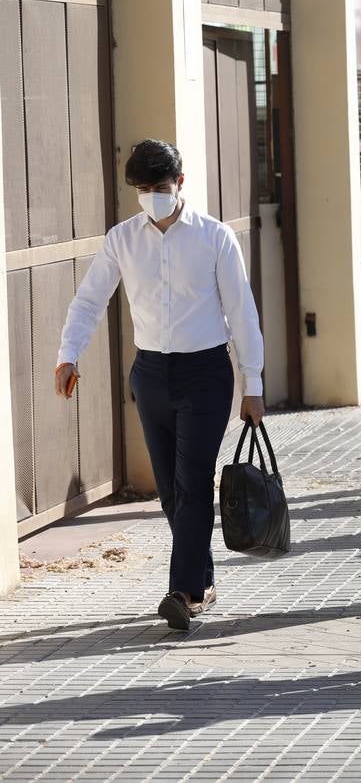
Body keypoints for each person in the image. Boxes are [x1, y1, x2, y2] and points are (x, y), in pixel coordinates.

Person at [54, 139, 264, 630]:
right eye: (143, 189)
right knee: (171, 493)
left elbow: (242, 312)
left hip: (207, 373)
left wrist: (252, 384)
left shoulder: (214, 238)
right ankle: (203, 583)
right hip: (150, 375)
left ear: (180, 184)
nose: (152, 196)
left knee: (192, 485)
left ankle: (182, 591)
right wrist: (68, 354)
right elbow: (89, 301)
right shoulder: (121, 239)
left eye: (160, 187)